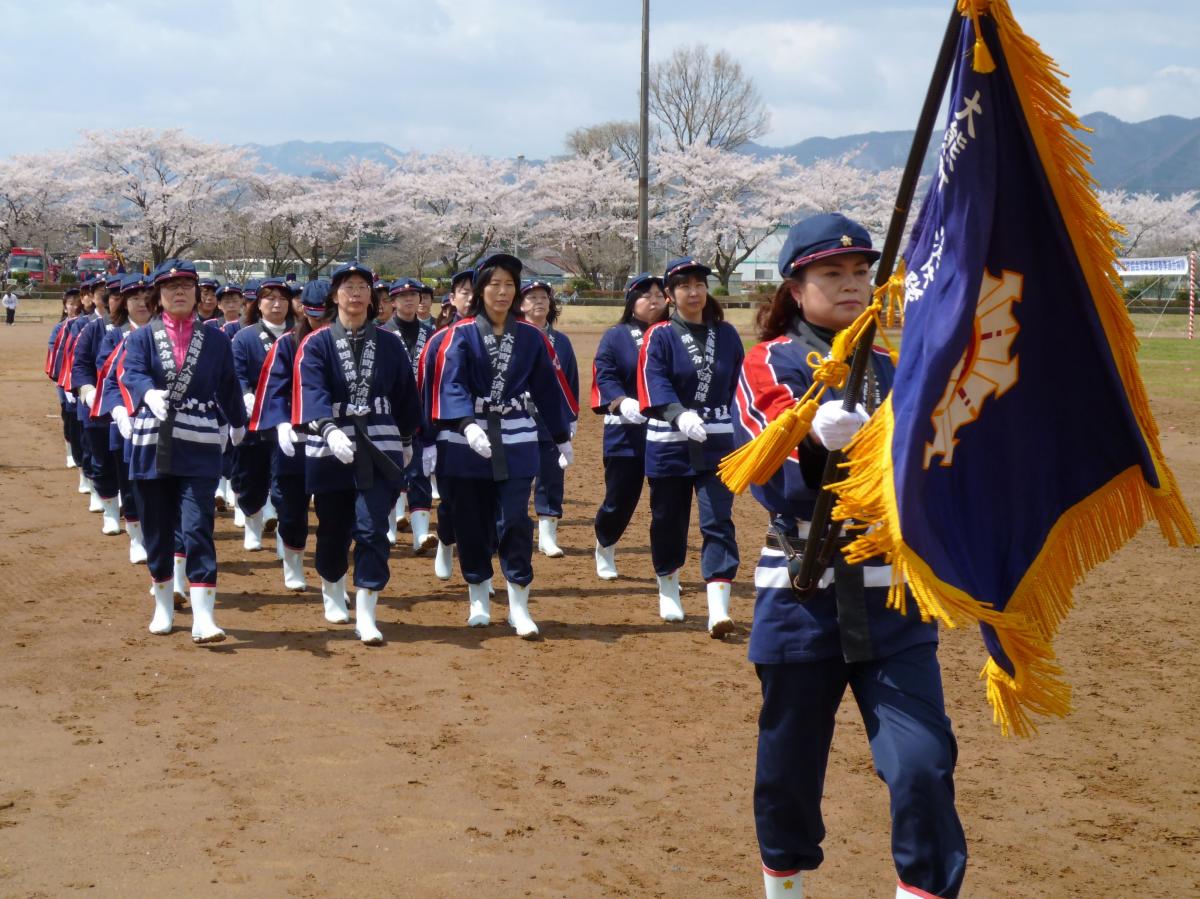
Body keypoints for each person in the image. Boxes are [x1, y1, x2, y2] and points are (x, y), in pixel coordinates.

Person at [732, 213, 967, 899]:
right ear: (796, 286)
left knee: (923, 763)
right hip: (800, 599)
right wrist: (811, 441)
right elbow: (764, 467)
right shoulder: (767, 362)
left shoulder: (898, 368)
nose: (851, 284)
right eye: (832, 273)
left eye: (862, 272)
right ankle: (785, 884)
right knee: (788, 770)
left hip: (892, 599)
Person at [428, 253, 577, 637]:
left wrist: (561, 436)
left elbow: (546, 386)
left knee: (514, 519)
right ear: (479, 290)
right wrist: (464, 423)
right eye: (494, 284)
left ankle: (518, 604)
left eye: (509, 284)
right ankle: (478, 594)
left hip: (516, 435)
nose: (502, 292)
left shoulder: (531, 337)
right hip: (465, 441)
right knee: (471, 522)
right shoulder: (456, 335)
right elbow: (451, 384)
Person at [117, 259, 248, 643]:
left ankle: (204, 616)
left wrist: (239, 422)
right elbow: (132, 372)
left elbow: (227, 384)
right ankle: (163, 603)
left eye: (187, 287)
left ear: (196, 293)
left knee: (197, 527)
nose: (179, 293)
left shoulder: (216, 339)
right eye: (171, 287)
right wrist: (146, 392)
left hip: (200, 441)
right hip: (153, 441)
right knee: (156, 529)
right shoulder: (141, 337)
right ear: (158, 295)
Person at [292, 262, 421, 644]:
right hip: (330, 447)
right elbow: (309, 392)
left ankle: (366, 611)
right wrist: (328, 430)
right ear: (335, 295)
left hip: (380, 444)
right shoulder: (315, 344)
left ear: (373, 296)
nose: (356, 293)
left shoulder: (390, 343)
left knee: (371, 529)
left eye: (363, 286)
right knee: (333, 529)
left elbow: (405, 394)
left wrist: (409, 439)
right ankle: (332, 588)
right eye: (348, 286)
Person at [637, 256, 742, 636]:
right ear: (669, 294)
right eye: (684, 286)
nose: (693, 292)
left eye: (699, 284)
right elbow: (653, 381)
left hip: (717, 441)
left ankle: (718, 609)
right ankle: (668, 585)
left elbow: (736, 386)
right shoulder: (659, 335)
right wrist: (679, 414)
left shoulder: (726, 334)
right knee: (669, 519)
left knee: (718, 519)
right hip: (669, 442)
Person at [248, 279, 329, 593]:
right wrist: (281, 422)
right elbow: (273, 389)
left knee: (335, 513)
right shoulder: (287, 344)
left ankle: (330, 576)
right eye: (314, 314)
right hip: (295, 440)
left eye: (326, 315)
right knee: (292, 510)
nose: (319, 321)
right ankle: (294, 562)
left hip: (336, 441)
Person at [590, 273, 667, 578]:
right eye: (646, 295)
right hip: (625, 431)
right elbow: (605, 374)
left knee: (665, 502)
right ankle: (605, 543)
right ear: (631, 301)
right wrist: (621, 401)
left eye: (660, 295)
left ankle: (665, 564)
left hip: (667, 432)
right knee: (620, 499)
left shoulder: (673, 333)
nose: (654, 301)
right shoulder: (616, 335)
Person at [94, 273, 154, 564]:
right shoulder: (114, 335)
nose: (141, 304)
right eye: (134, 298)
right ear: (124, 304)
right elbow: (106, 373)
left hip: (163, 425)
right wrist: (118, 411)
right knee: (130, 486)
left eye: (146, 298)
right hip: (127, 425)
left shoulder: (167, 333)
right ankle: (137, 538)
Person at [231, 276, 294, 551]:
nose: (277, 304)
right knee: (251, 478)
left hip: (290, 419)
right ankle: (252, 523)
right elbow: (237, 373)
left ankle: (285, 535)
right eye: (270, 298)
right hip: (254, 420)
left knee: (286, 481)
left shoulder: (299, 334)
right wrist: (245, 394)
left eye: (282, 298)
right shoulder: (245, 337)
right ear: (258, 304)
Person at [519, 278, 579, 558]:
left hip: (550, 419)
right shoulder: (512, 337)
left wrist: (571, 416)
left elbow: (571, 381)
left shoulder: (562, 342)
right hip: (517, 417)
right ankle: (514, 532)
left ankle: (547, 535)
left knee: (551, 477)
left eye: (544, 297)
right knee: (516, 478)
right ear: (520, 304)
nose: (539, 302)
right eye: (532, 297)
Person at [382, 278, 438, 553]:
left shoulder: (433, 334)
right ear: (393, 302)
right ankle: (389, 529)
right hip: (390, 416)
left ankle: (420, 534)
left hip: (424, 414)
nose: (408, 300)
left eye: (414, 296)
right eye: (402, 297)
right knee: (391, 474)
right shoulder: (381, 335)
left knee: (420, 474)